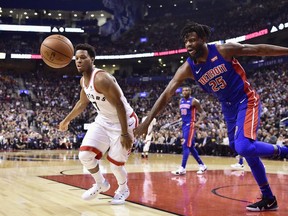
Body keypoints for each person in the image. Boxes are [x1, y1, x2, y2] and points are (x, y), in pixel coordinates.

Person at [134, 22, 288, 212]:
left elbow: (258, 49)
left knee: (244, 146)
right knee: (239, 148)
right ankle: (268, 198)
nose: (188, 45)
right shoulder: (187, 68)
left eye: (192, 40)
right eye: (186, 42)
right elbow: (166, 94)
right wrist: (148, 121)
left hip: (246, 99)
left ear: (203, 39)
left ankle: (284, 151)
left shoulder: (223, 50)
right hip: (228, 107)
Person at [59, 43, 138, 205]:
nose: (79, 61)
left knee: (116, 166)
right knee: (85, 155)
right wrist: (66, 120)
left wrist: (125, 133)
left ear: (92, 59)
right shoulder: (83, 81)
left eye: (83, 58)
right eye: (77, 58)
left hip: (124, 122)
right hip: (103, 120)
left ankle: (123, 189)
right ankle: (101, 183)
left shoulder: (101, 78)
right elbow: (82, 103)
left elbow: (120, 106)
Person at [171, 86, 207, 175]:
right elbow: (183, 113)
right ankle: (202, 165)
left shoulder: (194, 101)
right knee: (191, 147)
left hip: (191, 125)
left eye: (187, 90)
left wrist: (197, 123)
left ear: (190, 91)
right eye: (183, 90)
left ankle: (182, 168)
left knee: (185, 145)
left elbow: (203, 113)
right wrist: (179, 117)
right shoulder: (180, 101)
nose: (184, 91)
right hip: (184, 125)